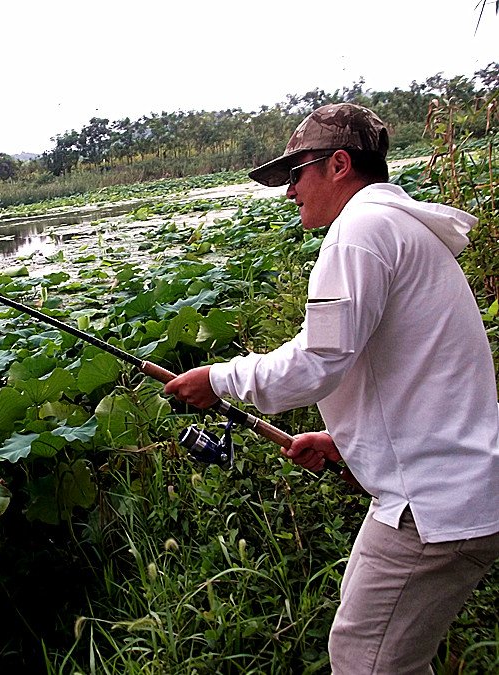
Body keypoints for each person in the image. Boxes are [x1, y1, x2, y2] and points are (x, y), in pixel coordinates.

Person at [164, 103, 499, 674]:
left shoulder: (360, 234)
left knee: (364, 661)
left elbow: (320, 357)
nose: (290, 192)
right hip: (450, 484)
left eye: (297, 175)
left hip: (431, 502)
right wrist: (348, 441)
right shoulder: (399, 229)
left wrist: (219, 379)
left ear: (339, 164)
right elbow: (412, 372)